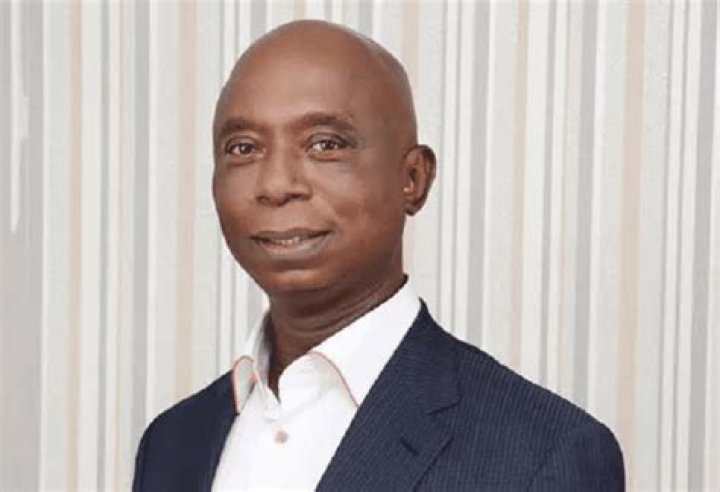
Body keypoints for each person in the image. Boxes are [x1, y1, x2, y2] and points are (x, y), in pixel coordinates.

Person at [132, 19, 624, 491]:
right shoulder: (174, 443)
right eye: (243, 148)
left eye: (324, 144)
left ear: (413, 178)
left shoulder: (542, 454)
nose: (276, 184)